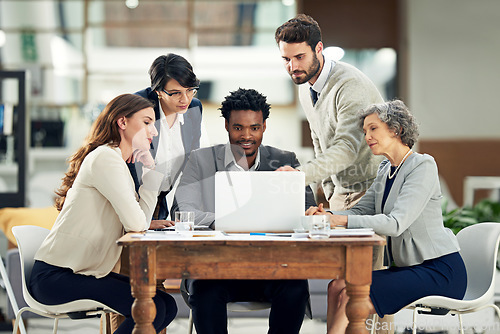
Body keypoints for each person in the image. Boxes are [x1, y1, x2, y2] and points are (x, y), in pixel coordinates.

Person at [306, 100, 467, 334]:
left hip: (439, 271)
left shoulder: (422, 166)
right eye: (365, 131)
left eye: (373, 128)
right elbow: (361, 211)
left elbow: (396, 223)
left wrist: (338, 221)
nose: (367, 136)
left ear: (396, 129)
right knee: (336, 286)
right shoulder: (385, 169)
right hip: (410, 269)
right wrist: (328, 214)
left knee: (353, 295)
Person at [29, 94, 177, 334]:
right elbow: (136, 223)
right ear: (123, 122)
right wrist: (150, 174)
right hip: (57, 278)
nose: (154, 131)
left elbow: (138, 219)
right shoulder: (105, 158)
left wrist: (149, 178)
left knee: (166, 305)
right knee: (154, 308)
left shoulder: (114, 160)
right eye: (147, 122)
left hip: (80, 272)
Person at [173, 88, 314, 334]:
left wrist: (314, 215)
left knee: (296, 287)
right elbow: (185, 212)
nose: (246, 136)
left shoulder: (285, 160)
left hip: (271, 268)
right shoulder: (199, 161)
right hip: (215, 269)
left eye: (254, 128)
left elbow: (305, 211)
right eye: (238, 128)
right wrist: (231, 221)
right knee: (205, 290)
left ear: (264, 127)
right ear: (227, 125)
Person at [275, 14, 384, 211]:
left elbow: (347, 147)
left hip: (371, 190)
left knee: (369, 243)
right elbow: (318, 141)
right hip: (341, 194)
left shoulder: (349, 85)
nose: (293, 67)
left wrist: (300, 175)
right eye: (286, 59)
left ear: (318, 49)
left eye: (300, 57)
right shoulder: (305, 87)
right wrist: (330, 190)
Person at [129, 53, 203, 229]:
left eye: (190, 90)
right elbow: (127, 166)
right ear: (158, 91)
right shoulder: (138, 108)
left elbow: (192, 161)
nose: (185, 99)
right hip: (129, 204)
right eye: (176, 93)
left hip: (159, 205)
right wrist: (143, 220)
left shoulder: (194, 108)